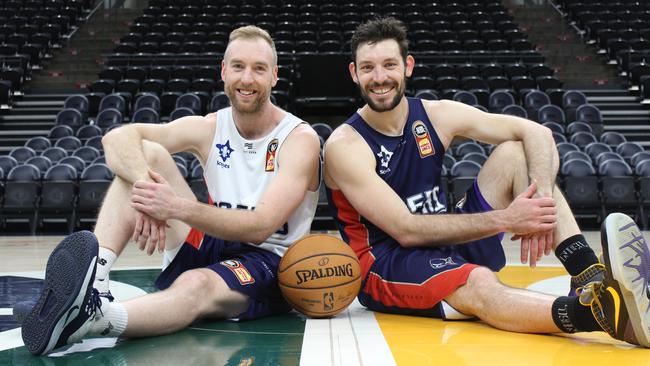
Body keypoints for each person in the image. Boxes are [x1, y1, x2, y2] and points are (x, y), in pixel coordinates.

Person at [324, 17, 649, 347]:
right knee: (479, 281)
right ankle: (601, 313)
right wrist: (510, 219)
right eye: (368, 68)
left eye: (389, 65)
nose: (379, 78)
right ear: (354, 73)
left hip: (442, 239)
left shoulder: (436, 114)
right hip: (386, 264)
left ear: (407, 66)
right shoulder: (345, 146)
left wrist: (539, 204)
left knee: (515, 154)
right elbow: (406, 230)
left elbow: (536, 133)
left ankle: (587, 275)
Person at [19, 25, 321, 355]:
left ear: (274, 76)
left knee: (197, 284)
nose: (247, 79)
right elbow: (117, 138)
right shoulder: (209, 126)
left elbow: (262, 226)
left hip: (267, 264)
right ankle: (96, 284)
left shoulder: (298, 139)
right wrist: (146, 189)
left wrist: (173, 208)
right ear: (223, 71)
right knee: (146, 155)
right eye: (238, 66)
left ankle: (96, 319)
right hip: (212, 241)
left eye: (259, 69)